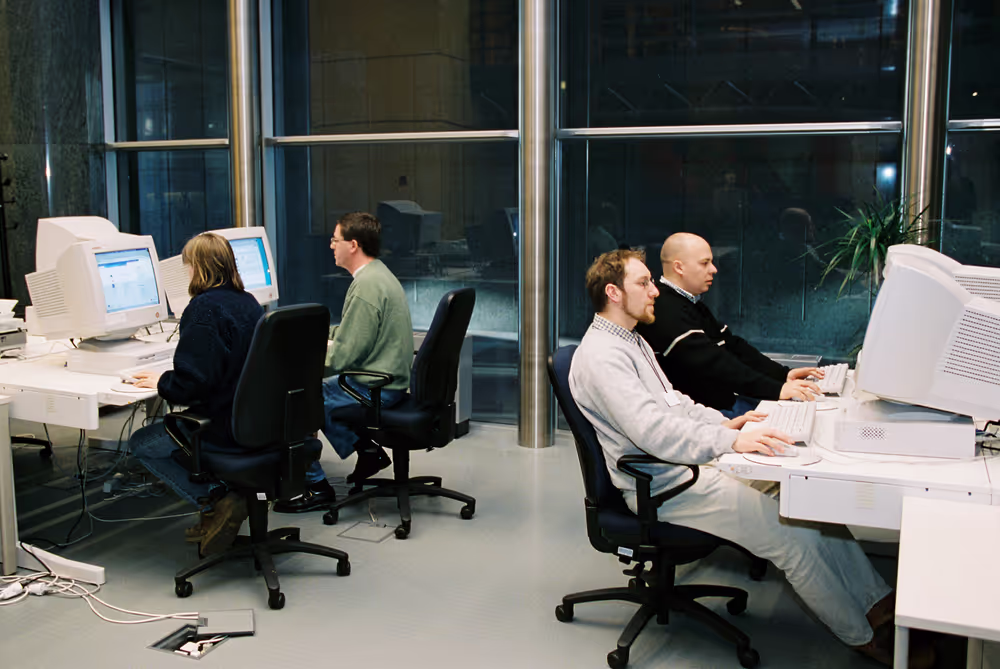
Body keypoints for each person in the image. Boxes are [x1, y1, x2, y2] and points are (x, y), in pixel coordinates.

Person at [568, 249, 932, 668]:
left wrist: (729, 425)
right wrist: (729, 444)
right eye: (644, 283)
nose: (655, 291)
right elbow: (653, 432)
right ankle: (864, 635)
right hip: (666, 485)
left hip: (688, 465)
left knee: (808, 503)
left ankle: (878, 603)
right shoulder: (603, 357)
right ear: (613, 292)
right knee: (790, 537)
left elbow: (674, 403)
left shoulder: (629, 339)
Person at [127, 233, 264, 555]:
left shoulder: (204, 309)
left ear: (195, 268)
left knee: (142, 443)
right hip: (255, 419)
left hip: (223, 423)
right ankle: (231, 492)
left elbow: (193, 385)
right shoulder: (248, 302)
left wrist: (161, 382)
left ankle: (219, 498)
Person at [273, 211, 414, 513]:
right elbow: (355, 331)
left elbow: (343, 358)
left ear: (352, 244)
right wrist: (321, 334)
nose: (330, 246)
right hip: (387, 380)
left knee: (299, 398)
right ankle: (366, 450)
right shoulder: (377, 275)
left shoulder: (366, 288)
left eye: (334, 240)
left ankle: (316, 486)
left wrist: (296, 360)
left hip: (376, 387)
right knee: (321, 392)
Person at [636, 232, 822, 417]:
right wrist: (777, 389)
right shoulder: (665, 309)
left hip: (723, 402)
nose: (713, 269)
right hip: (708, 412)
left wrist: (783, 375)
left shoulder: (691, 304)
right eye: (704, 263)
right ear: (679, 267)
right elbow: (715, 363)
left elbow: (733, 346)